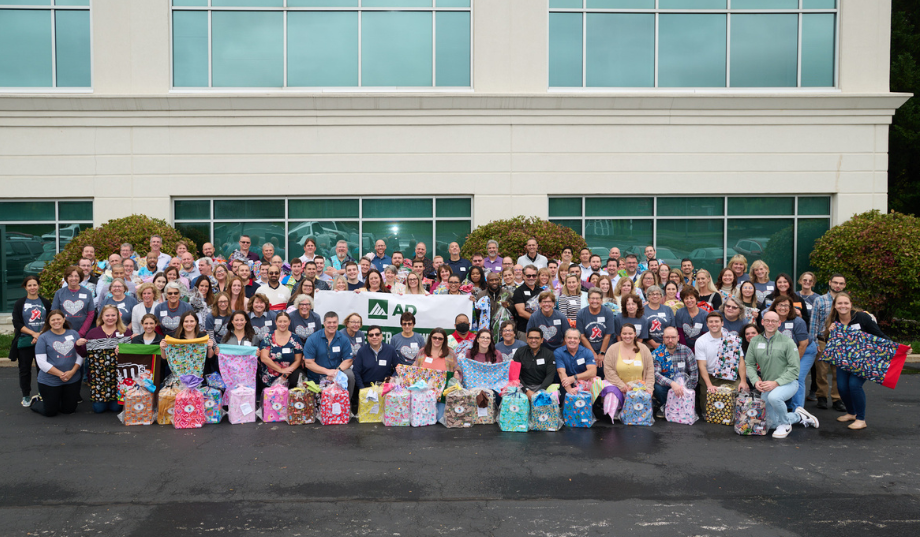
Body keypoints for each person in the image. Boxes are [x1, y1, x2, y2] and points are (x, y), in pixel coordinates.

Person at [746, 311, 820, 438]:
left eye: (774, 321)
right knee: (773, 424)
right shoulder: (755, 342)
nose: (770, 323)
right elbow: (750, 364)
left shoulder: (788, 342)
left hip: (788, 383)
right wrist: (755, 380)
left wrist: (776, 383)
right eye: (767, 320)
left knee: (774, 398)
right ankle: (798, 416)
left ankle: (786, 424)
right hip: (767, 385)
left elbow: (794, 368)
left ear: (779, 323)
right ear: (762, 322)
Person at [824, 292, 888, 430]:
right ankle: (851, 413)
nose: (843, 306)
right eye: (839, 303)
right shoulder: (833, 320)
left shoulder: (862, 317)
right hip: (844, 360)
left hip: (864, 360)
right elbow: (827, 341)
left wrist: (899, 348)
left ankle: (861, 419)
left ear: (851, 304)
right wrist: (830, 332)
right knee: (842, 387)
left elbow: (879, 335)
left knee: (854, 385)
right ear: (835, 306)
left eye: (846, 303)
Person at [31, 311, 86, 417]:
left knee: (69, 410)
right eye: (53, 320)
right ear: (49, 322)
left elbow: (79, 355)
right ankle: (36, 401)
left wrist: (72, 372)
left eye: (58, 319)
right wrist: (61, 374)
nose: (56, 321)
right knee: (50, 412)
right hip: (50, 381)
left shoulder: (73, 333)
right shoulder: (43, 337)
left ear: (64, 320)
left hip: (71, 378)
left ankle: (56, 401)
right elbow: (41, 363)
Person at [768, 295, 815, 411]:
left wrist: (793, 363)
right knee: (782, 375)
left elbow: (803, 344)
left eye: (786, 305)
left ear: (790, 308)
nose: (783, 308)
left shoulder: (798, 321)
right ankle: (787, 404)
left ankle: (798, 410)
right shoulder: (771, 321)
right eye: (780, 305)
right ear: (775, 306)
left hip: (805, 350)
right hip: (785, 353)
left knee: (796, 376)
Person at [694, 311, 747, 412]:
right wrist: (709, 385)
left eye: (716, 321)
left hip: (730, 378)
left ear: (722, 323)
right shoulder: (701, 341)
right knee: (707, 409)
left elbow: (741, 362)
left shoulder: (732, 339)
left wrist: (743, 381)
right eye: (711, 322)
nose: (714, 324)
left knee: (737, 403)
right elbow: (702, 366)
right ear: (707, 324)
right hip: (711, 377)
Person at [11, 276, 52, 407]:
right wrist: (34, 333)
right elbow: (16, 322)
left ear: (38, 286)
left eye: (35, 285)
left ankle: (42, 393)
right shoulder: (20, 303)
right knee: (24, 369)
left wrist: (39, 335)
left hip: (42, 340)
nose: (32, 287)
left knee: (43, 369)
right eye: (29, 285)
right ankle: (26, 395)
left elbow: (50, 321)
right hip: (25, 340)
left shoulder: (45, 302)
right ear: (25, 287)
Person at [809, 273, 847, 412]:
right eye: (835, 282)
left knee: (839, 373)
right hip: (823, 340)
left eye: (841, 283)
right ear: (830, 283)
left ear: (844, 285)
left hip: (841, 342)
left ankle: (837, 399)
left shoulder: (846, 301)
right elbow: (813, 323)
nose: (838, 285)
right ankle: (822, 397)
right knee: (821, 372)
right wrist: (814, 342)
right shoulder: (820, 300)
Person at [85, 305, 133, 413]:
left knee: (115, 408)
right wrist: (78, 345)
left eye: (113, 315)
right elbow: (84, 352)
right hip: (100, 379)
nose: (110, 318)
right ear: (102, 317)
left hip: (118, 377)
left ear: (117, 316)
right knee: (98, 409)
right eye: (107, 315)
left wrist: (128, 346)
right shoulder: (93, 333)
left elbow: (131, 355)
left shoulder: (125, 332)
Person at [302, 312, 356, 396]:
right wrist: (327, 372)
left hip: (337, 376)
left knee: (349, 374)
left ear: (338, 323)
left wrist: (336, 372)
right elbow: (308, 363)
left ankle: (346, 405)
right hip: (317, 378)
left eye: (334, 322)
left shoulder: (343, 339)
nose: (332, 325)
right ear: (324, 323)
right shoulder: (312, 339)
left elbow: (348, 360)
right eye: (329, 322)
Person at [651, 326, 698, 416]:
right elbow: (655, 374)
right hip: (666, 386)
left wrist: (686, 389)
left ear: (678, 338)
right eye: (667, 337)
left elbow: (694, 372)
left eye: (673, 337)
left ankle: (683, 405)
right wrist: (672, 383)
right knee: (657, 388)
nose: (670, 340)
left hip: (684, 386)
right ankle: (665, 405)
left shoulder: (686, 351)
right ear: (663, 338)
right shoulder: (656, 353)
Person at [603, 324, 655, 404]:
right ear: (620, 334)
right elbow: (608, 370)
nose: (627, 336)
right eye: (624, 334)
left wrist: (649, 388)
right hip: (618, 387)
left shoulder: (644, 349)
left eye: (630, 334)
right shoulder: (612, 349)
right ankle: (614, 414)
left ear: (635, 334)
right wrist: (622, 386)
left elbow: (650, 371)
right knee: (611, 394)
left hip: (639, 389)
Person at [257, 311, 303, 392]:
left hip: (289, 373)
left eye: (285, 321)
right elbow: (264, 357)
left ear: (289, 322)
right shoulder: (269, 336)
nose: (282, 324)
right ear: (276, 322)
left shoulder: (295, 338)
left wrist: (285, 373)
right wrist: (280, 370)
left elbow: (298, 360)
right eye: (280, 321)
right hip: (269, 374)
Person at [53, 266, 96, 346]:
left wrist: (81, 333)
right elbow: (54, 314)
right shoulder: (59, 293)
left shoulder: (87, 293)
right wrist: (61, 330)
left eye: (76, 276)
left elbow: (90, 314)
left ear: (80, 278)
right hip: (62, 332)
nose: (74, 278)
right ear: (66, 278)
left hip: (82, 333)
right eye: (70, 276)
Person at [576, 288, 615, 367]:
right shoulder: (581, 314)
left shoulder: (608, 312)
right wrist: (593, 353)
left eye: (597, 298)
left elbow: (608, 335)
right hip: (586, 348)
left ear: (601, 300)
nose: (595, 301)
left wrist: (601, 353)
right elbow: (582, 336)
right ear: (588, 300)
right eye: (592, 298)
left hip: (604, 348)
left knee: (603, 368)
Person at [512, 328, 556, 398]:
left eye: (537, 338)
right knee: (512, 396)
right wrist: (526, 390)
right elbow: (515, 374)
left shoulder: (548, 354)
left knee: (555, 395)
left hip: (543, 386)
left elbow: (550, 375)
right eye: (531, 338)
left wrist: (540, 391)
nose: (533, 340)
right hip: (523, 387)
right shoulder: (519, 352)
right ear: (527, 339)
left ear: (542, 340)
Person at [353, 325, 399, 391]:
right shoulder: (362, 351)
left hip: (385, 387)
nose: (374, 337)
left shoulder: (390, 350)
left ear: (381, 336)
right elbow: (356, 372)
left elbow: (398, 367)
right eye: (371, 335)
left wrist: (392, 379)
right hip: (367, 387)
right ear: (368, 338)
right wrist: (362, 388)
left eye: (377, 334)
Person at [554, 328, 598, 397]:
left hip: (584, 382)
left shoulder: (587, 352)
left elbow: (592, 372)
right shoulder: (558, 352)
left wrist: (574, 378)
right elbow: (561, 372)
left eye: (575, 338)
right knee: (564, 399)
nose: (572, 340)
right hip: (566, 382)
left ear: (579, 340)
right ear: (565, 339)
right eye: (569, 338)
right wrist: (569, 390)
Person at [642, 285, 674, 351]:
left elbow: (672, 327)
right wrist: (653, 344)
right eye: (652, 294)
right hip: (648, 346)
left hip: (667, 344)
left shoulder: (668, 309)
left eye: (657, 294)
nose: (655, 296)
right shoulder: (642, 310)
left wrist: (666, 341)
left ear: (661, 296)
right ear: (647, 296)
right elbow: (642, 329)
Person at [512, 266, 541, 338]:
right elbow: (521, 312)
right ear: (523, 276)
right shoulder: (518, 291)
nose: (531, 278)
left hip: (540, 329)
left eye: (534, 275)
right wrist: (539, 320)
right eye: (528, 276)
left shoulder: (541, 291)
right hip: (524, 330)